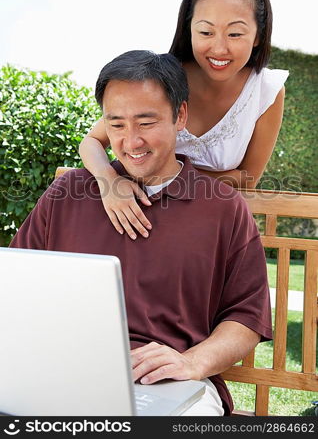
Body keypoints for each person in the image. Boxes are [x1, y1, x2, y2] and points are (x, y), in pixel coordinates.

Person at [10, 50, 272, 416]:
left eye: (145, 123)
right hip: (65, 371)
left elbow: (246, 317)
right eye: (116, 125)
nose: (131, 141)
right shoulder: (67, 194)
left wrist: (192, 363)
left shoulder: (223, 208)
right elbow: (18, 286)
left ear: (180, 116)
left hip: (170, 381)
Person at [79, 0, 289, 240]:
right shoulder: (163, 79)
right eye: (205, 32)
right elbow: (91, 142)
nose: (219, 48)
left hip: (210, 226)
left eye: (235, 34)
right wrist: (109, 180)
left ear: (259, 35)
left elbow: (247, 178)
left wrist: (167, 180)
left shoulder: (267, 91)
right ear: (188, 28)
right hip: (139, 213)